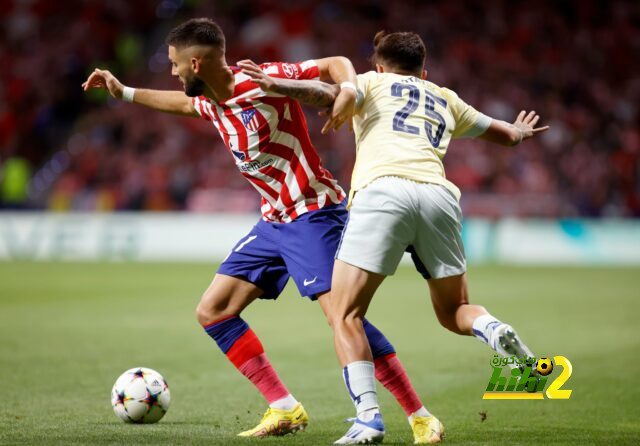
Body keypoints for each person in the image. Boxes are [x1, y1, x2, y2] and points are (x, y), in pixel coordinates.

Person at [82, 18, 433, 440]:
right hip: (273, 221)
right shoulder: (210, 99)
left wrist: (350, 90)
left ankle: (418, 414)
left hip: (313, 213)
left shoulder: (263, 80)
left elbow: (336, 63)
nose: (172, 73)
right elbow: (181, 104)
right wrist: (125, 92)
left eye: (176, 65)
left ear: (195, 63)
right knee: (213, 311)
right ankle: (285, 408)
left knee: (343, 317)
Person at [322, 31, 547, 444]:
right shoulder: (444, 96)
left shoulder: (368, 83)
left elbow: (323, 91)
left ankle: (369, 418)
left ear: (379, 66)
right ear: (424, 71)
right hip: (438, 197)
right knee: (454, 309)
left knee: (346, 313)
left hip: (383, 191)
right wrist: (519, 129)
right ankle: (494, 330)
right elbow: (507, 136)